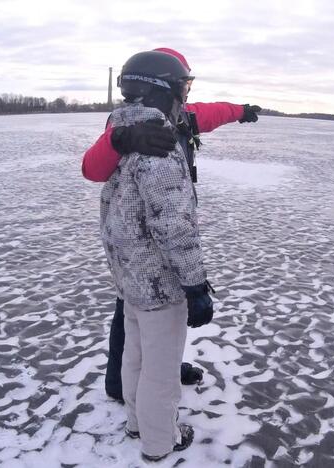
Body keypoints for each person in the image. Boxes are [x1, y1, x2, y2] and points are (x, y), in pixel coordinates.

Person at [83, 47, 261, 403]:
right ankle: (121, 384)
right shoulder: (127, 123)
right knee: (132, 313)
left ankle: (163, 365)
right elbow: (92, 169)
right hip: (139, 240)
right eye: (184, 82)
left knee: (162, 319)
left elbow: (212, 112)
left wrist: (241, 111)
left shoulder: (182, 115)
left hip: (159, 230)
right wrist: (120, 140)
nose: (188, 91)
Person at [100, 50, 216, 461]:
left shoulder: (120, 134)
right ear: (162, 88)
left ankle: (136, 423)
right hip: (159, 280)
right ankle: (159, 443)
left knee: (135, 354)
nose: (185, 96)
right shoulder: (160, 145)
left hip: (129, 274)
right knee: (162, 371)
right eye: (183, 87)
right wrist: (195, 285)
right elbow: (174, 225)